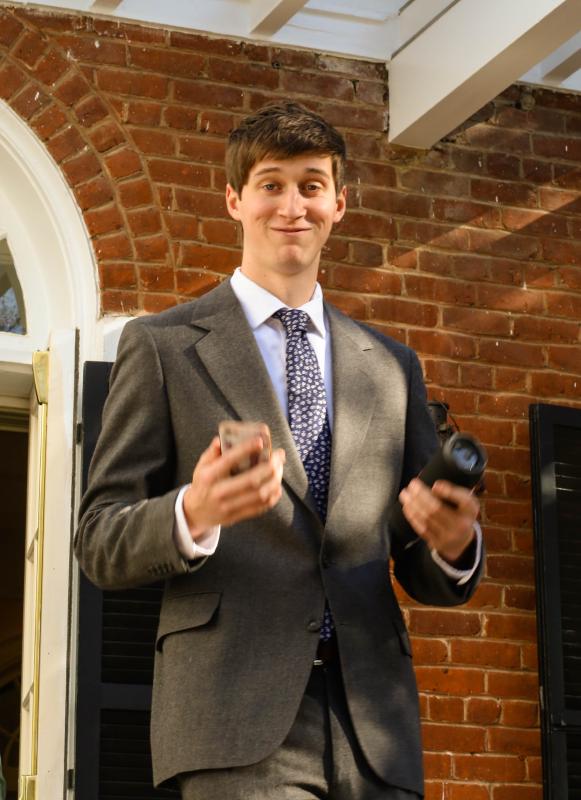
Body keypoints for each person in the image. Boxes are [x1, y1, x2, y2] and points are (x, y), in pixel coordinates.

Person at [75, 102, 483, 800]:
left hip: (373, 729)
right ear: (234, 200)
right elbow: (99, 539)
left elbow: (419, 562)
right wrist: (193, 512)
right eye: (271, 184)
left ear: (338, 204)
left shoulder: (392, 367)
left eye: (310, 186)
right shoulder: (163, 347)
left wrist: (452, 545)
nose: (292, 206)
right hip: (232, 719)